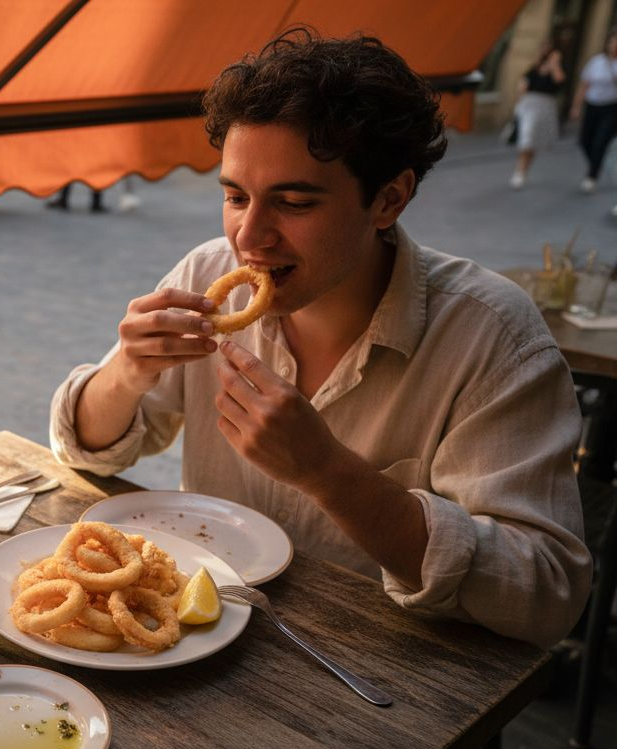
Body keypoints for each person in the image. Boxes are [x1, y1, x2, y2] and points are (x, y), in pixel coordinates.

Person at [50, 29, 591, 649]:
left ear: (388, 199)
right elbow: (89, 452)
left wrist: (328, 473)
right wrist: (127, 374)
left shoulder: (491, 337)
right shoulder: (205, 277)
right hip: (201, 637)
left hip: (386, 669)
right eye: (234, 196)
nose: (249, 238)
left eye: (294, 203)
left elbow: (546, 594)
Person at [510, 42, 565, 189]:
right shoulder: (533, 67)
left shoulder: (555, 68)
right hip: (529, 106)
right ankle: (519, 171)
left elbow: (559, 80)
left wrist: (554, 63)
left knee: (534, 140)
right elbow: (523, 84)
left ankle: (523, 170)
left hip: (545, 107)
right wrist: (518, 103)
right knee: (527, 137)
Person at [571, 30, 617, 193]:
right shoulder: (597, 61)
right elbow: (584, 84)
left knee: (600, 141)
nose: (614, 45)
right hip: (592, 105)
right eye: (613, 41)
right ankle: (596, 163)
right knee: (585, 140)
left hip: (611, 108)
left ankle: (592, 176)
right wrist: (576, 107)